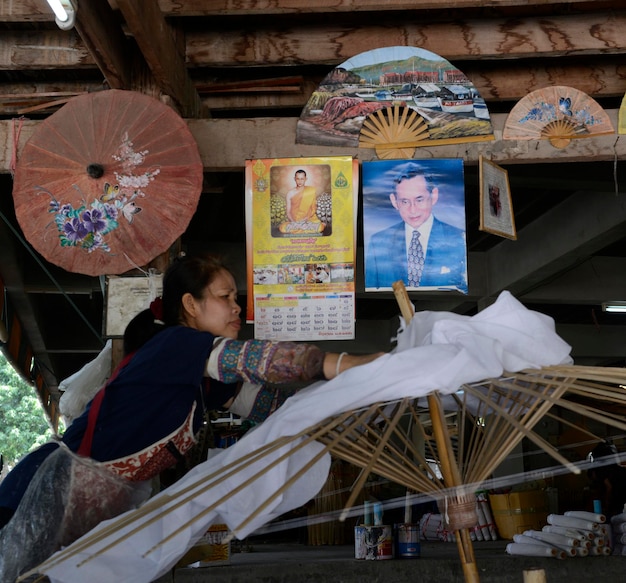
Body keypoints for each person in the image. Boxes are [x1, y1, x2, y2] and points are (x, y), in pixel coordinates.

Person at [0, 252, 383, 581]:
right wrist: (350, 364)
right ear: (190, 304)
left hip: (89, 511)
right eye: (225, 297)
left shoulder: (199, 379)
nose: (237, 306)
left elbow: (272, 408)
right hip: (39, 498)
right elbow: (260, 362)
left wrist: (346, 412)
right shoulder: (173, 345)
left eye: (236, 297)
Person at [365, 162, 467, 292]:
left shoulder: (458, 239)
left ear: (434, 196)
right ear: (394, 202)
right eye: (405, 201)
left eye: (419, 200)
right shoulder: (378, 242)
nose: (413, 210)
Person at [587, 441, 626, 519]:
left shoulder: (601, 470)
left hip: (615, 500)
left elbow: (609, 487)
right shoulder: (618, 469)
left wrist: (607, 503)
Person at [279, 169, 324, 234]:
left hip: (308, 220)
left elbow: (313, 209)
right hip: (294, 222)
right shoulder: (290, 193)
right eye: (298, 179)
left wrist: (306, 218)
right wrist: (294, 222)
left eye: (302, 179)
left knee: (319, 227)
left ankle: (301, 229)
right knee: (282, 228)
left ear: (305, 179)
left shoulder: (310, 191)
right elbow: (288, 212)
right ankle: (302, 228)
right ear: (295, 179)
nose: (300, 181)